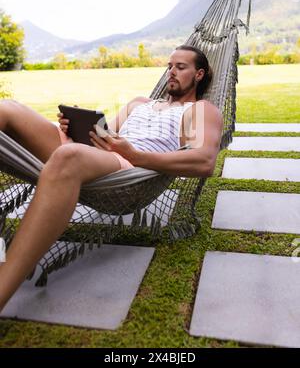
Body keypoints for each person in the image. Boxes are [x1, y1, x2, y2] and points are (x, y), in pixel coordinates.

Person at [0, 45, 223, 312]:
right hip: (99, 157)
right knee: (7, 109)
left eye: (180, 67)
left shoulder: (197, 110)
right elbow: (104, 138)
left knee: (68, 157)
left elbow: (203, 160)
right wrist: (75, 133)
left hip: (129, 169)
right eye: (169, 66)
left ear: (199, 74)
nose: (171, 72)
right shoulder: (139, 104)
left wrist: (136, 155)